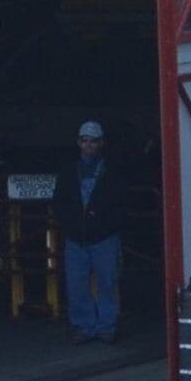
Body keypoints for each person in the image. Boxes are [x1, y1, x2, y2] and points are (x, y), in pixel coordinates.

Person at [62, 120, 127, 342]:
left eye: (94, 141)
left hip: (104, 238)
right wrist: (70, 226)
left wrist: (106, 226)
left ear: (101, 144)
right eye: (85, 141)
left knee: (107, 281)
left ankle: (107, 326)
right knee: (77, 283)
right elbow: (60, 203)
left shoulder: (112, 173)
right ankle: (84, 326)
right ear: (78, 143)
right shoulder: (69, 173)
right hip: (76, 237)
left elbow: (121, 204)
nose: (89, 145)